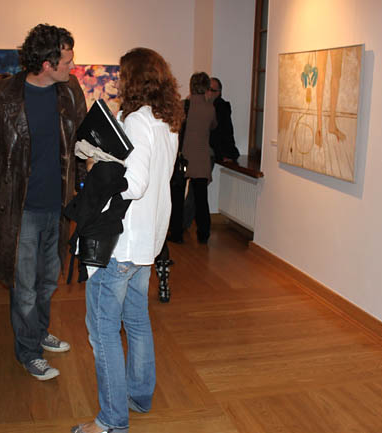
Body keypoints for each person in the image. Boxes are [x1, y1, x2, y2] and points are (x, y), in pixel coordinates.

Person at [0, 23, 87, 380]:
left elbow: (81, 141)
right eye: (67, 60)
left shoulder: (70, 91)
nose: (73, 65)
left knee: (48, 282)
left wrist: (88, 185)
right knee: (24, 287)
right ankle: (28, 352)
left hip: (59, 206)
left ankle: (39, 332)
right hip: (19, 208)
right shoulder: (4, 94)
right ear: (47, 64)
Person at [72, 47, 184, 433]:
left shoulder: (137, 120)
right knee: (136, 319)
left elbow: (133, 184)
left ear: (134, 78)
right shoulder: (165, 120)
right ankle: (139, 395)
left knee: (102, 329)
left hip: (121, 243)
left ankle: (111, 421)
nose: (118, 80)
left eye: (122, 74)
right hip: (147, 240)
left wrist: (96, 163)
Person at [169, 72, 216, 244]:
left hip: (183, 157)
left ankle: (176, 233)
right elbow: (213, 125)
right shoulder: (210, 108)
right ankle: (203, 234)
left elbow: (174, 126)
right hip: (202, 158)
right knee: (201, 199)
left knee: (177, 197)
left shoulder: (183, 106)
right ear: (206, 87)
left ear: (191, 86)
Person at [207, 77, 240, 162]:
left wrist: (221, 155)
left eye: (211, 90)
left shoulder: (221, 108)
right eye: (206, 89)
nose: (208, 92)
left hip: (220, 151)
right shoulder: (208, 106)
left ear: (218, 92)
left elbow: (221, 133)